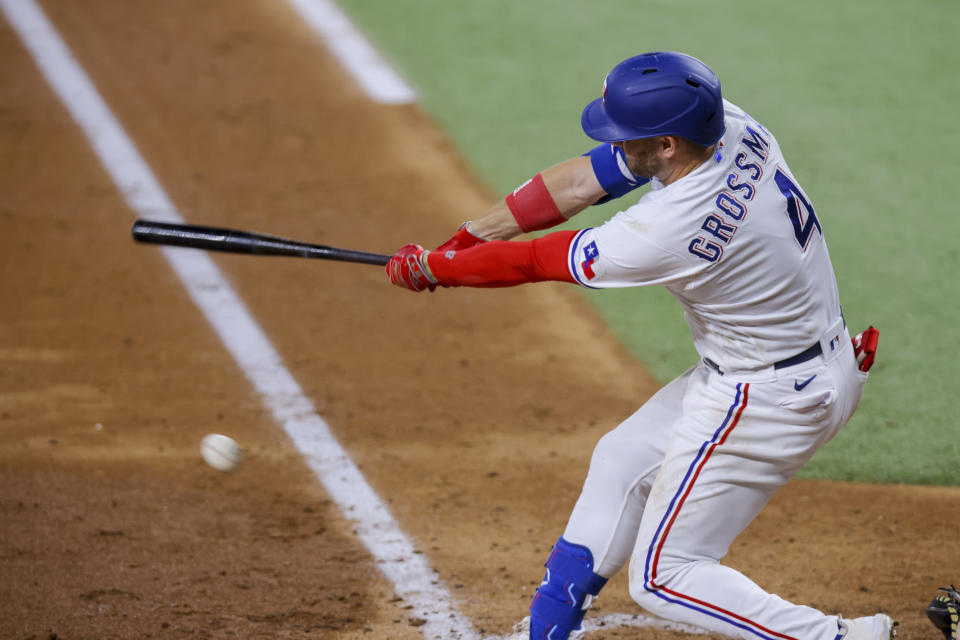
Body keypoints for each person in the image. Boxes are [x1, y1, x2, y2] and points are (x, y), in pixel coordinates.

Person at [386, 51, 886, 640]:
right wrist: (464, 241)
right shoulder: (730, 125)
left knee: (664, 578)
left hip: (770, 397)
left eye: (628, 135)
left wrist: (438, 270)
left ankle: (841, 638)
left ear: (668, 144)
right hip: (783, 365)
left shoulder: (675, 227)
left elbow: (537, 259)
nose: (617, 143)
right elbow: (582, 180)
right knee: (621, 461)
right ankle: (546, 632)